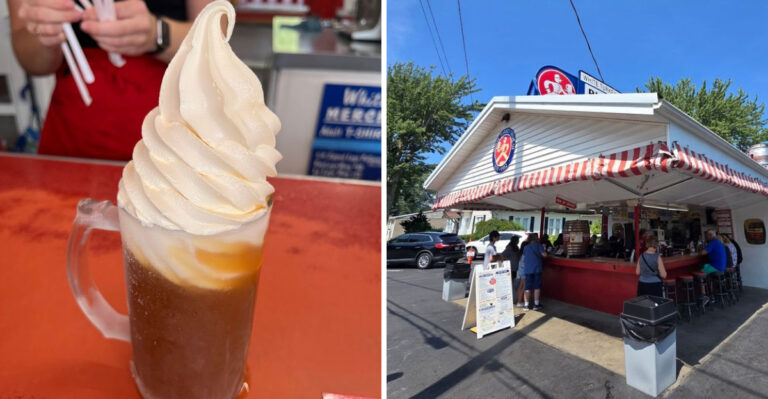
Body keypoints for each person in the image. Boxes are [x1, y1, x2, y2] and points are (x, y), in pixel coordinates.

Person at [9, 0, 211, 160]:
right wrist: (44, 35)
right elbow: (32, 61)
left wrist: (155, 33)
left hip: (172, 122)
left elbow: (215, 33)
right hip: (75, 129)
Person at [521, 233, 547, 310]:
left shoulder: (526, 247)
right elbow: (544, 255)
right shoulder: (539, 246)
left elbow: (525, 256)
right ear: (536, 238)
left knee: (527, 287)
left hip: (528, 269)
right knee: (537, 287)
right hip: (537, 269)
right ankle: (536, 304)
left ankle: (526, 305)